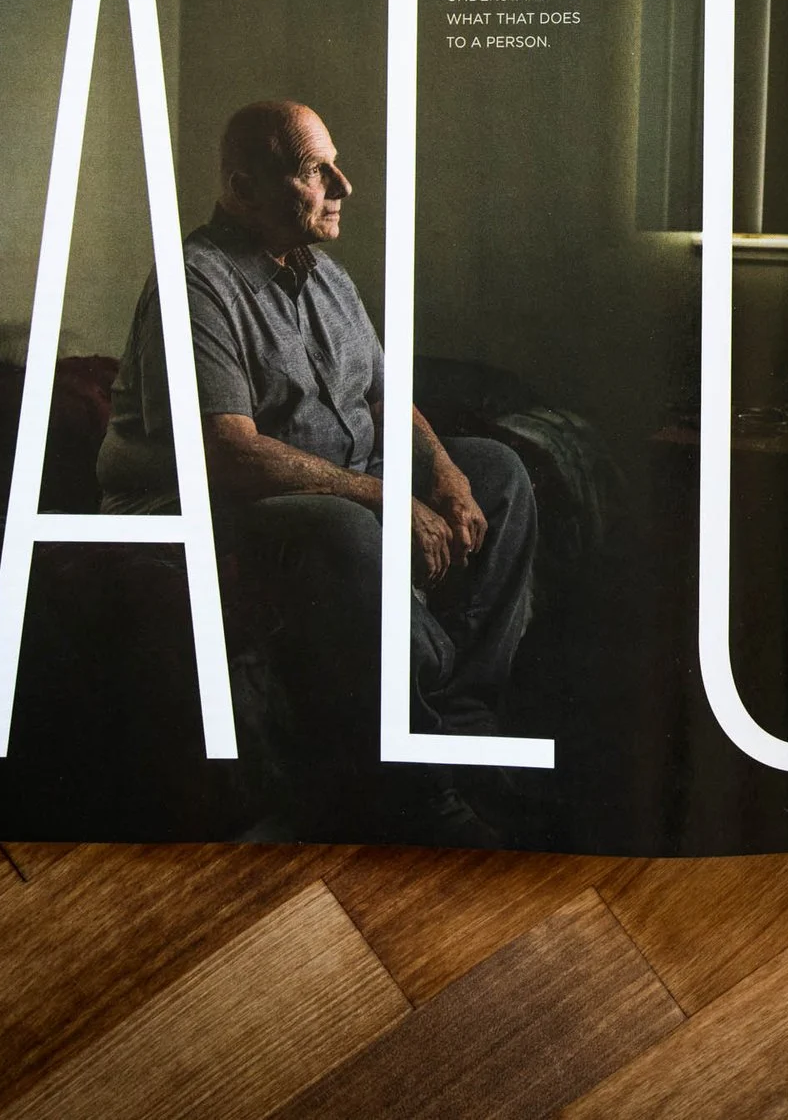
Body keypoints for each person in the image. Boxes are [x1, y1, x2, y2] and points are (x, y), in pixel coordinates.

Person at [97, 98, 534, 839]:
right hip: (212, 494)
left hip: (328, 474)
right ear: (241, 189)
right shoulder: (196, 281)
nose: (344, 184)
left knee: (501, 471)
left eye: (334, 162)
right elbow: (227, 451)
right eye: (314, 170)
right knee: (341, 524)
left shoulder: (324, 275)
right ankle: (413, 784)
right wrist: (381, 495)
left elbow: (384, 395)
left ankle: (462, 714)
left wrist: (448, 477)